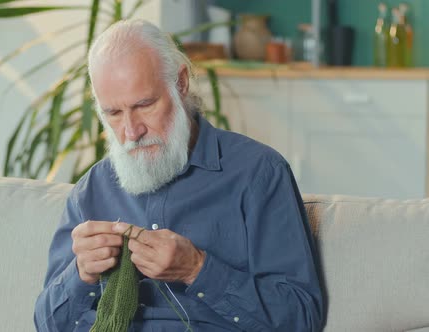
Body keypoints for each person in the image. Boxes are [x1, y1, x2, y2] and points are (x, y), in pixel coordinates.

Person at [34, 19, 324, 331]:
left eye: (144, 105)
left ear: (180, 83)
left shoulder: (259, 174)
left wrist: (197, 269)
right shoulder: (90, 191)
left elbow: (301, 318)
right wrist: (81, 274)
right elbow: (47, 325)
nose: (131, 131)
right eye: (113, 113)